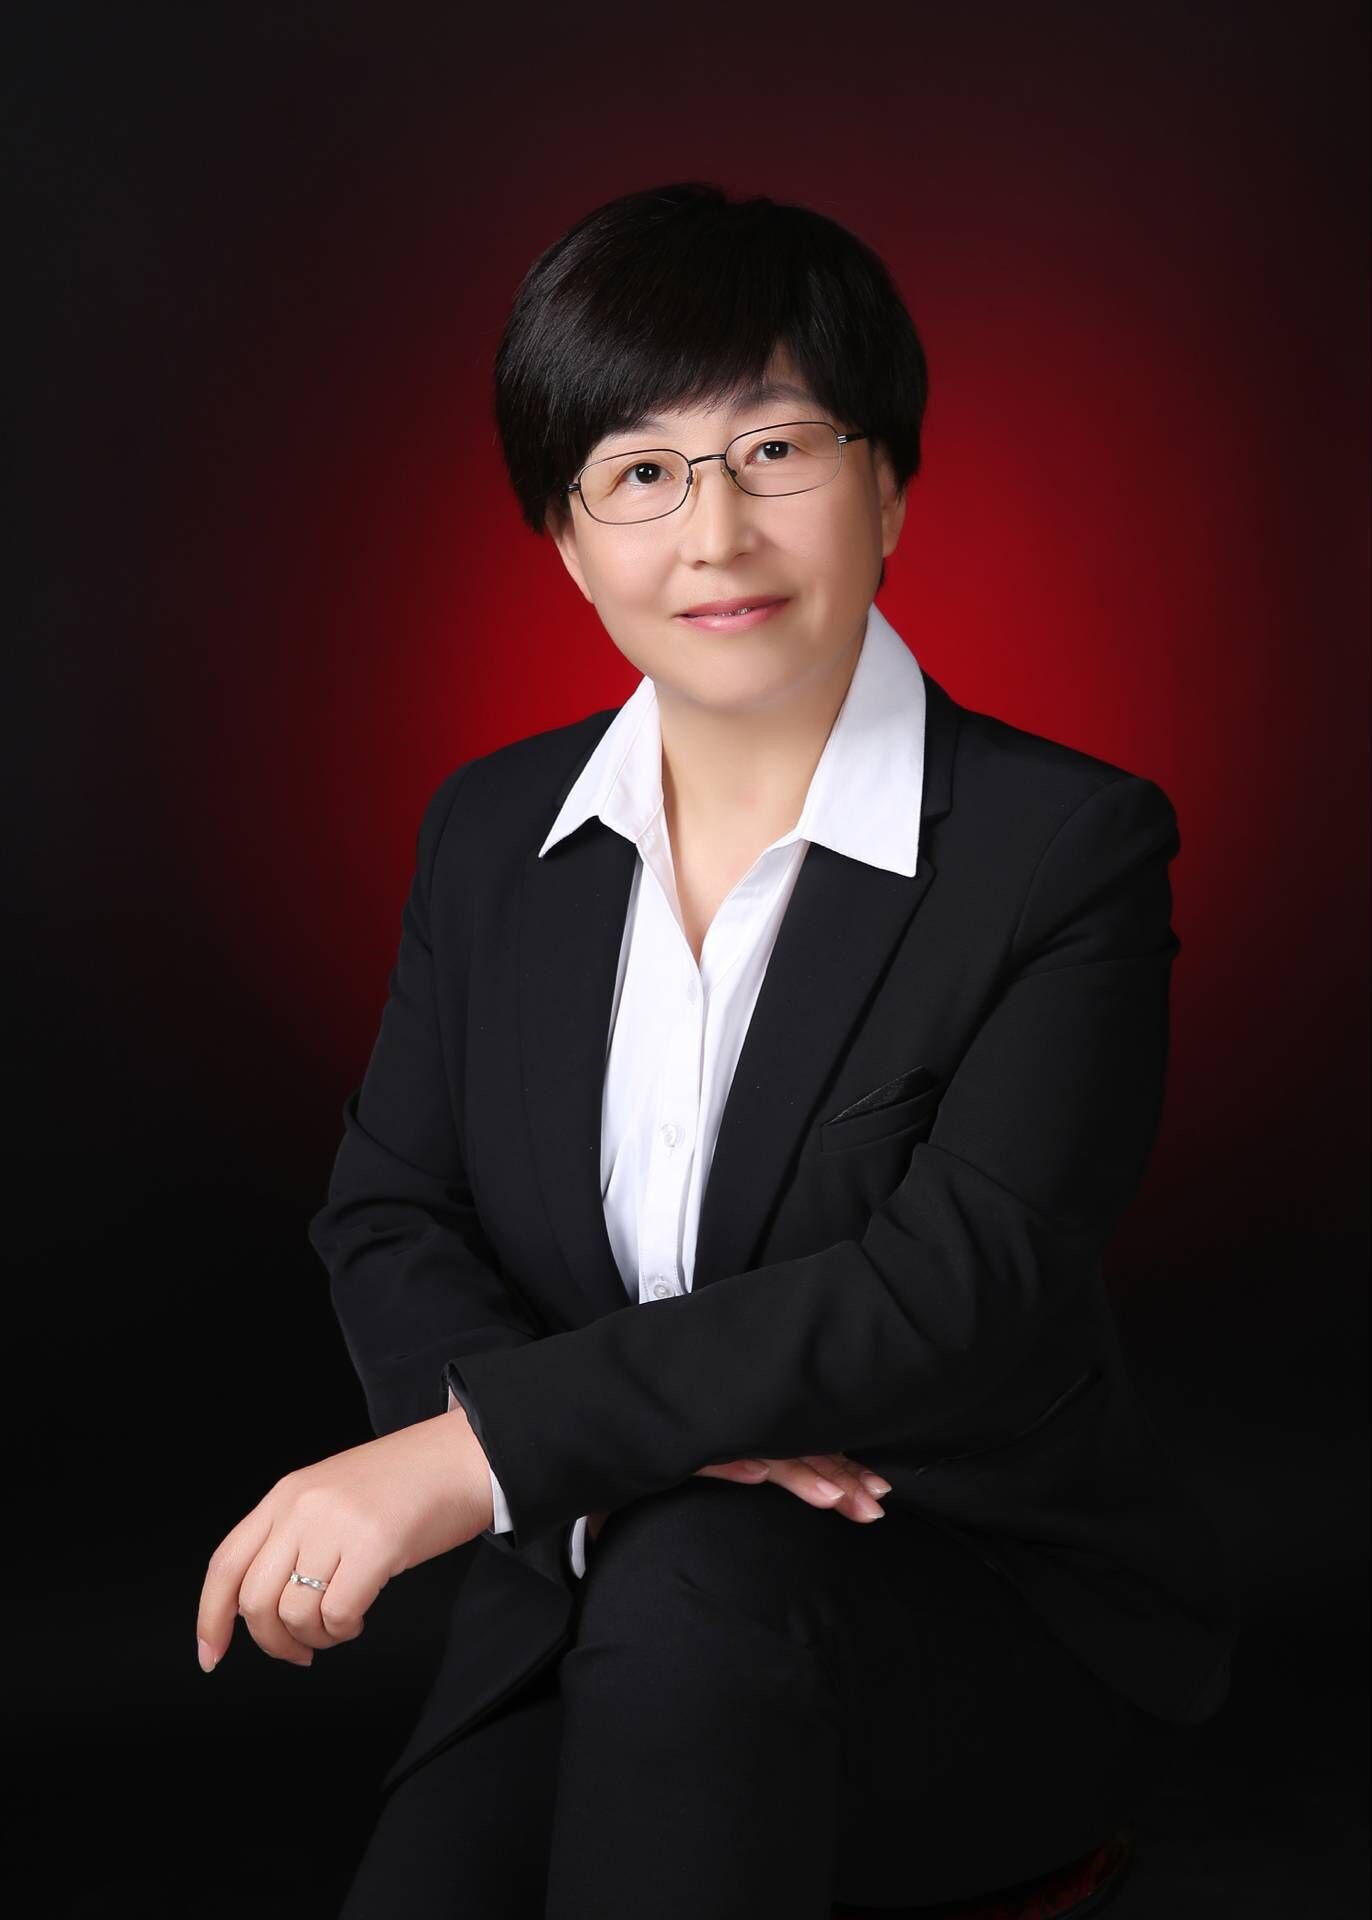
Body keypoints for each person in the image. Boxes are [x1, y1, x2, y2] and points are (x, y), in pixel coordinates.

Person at [196, 181, 1240, 1919]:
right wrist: (592, 1476)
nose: (715, 533)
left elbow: (958, 1287)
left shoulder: (1067, 847)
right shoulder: (489, 834)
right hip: (588, 1583)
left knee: (703, 1591)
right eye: (640, 472)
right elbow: (391, 1211)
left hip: (964, 1607)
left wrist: (485, 1449)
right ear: (566, 537)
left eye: (776, 450)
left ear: (890, 484)